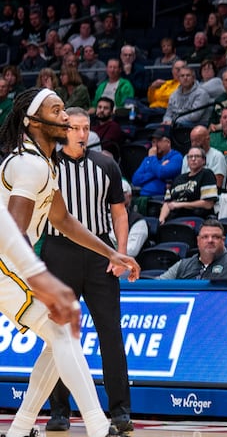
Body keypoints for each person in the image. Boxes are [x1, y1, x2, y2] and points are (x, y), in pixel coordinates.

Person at [0, 88, 139, 437]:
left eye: (65, 110)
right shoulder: (28, 165)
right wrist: (40, 278)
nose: (66, 117)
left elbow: (63, 219)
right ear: (33, 122)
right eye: (57, 110)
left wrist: (111, 252)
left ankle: (18, 430)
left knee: (58, 339)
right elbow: (12, 234)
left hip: (12, 262)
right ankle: (97, 426)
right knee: (64, 334)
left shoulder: (44, 163)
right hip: (5, 264)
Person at [42, 107, 133, 433]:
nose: (82, 133)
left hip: (99, 255)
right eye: (75, 127)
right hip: (58, 254)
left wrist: (119, 255)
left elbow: (120, 215)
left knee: (110, 333)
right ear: (63, 129)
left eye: (86, 127)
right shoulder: (47, 164)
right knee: (59, 335)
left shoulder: (106, 164)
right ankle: (59, 411)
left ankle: (121, 410)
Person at [159, 219, 227, 279]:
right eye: (205, 237)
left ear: (223, 240)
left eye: (215, 237)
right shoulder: (183, 265)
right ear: (198, 241)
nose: (210, 240)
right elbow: (155, 286)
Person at [158, 146, 219, 224]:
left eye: (197, 156)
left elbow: (208, 204)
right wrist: (161, 219)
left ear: (203, 160)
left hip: (196, 219)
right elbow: (167, 203)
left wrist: (180, 204)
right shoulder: (178, 178)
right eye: (190, 157)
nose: (193, 159)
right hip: (174, 219)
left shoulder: (206, 174)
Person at [131, 126, 183, 197]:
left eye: (158, 141)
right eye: (153, 142)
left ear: (168, 142)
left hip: (162, 198)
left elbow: (162, 173)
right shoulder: (148, 159)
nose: (155, 145)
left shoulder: (176, 157)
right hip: (143, 197)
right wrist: (158, 167)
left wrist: (153, 159)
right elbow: (135, 180)